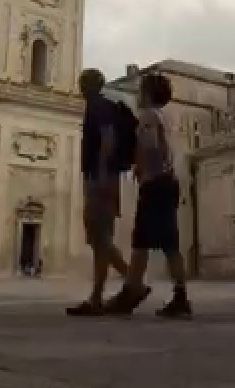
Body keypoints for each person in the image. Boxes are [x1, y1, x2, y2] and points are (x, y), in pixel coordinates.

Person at [104, 72, 192, 319]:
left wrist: (139, 163)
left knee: (141, 240)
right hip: (169, 183)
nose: (138, 94)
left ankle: (131, 293)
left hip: (155, 184)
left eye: (141, 90)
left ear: (148, 94)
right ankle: (178, 295)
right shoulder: (167, 116)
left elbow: (152, 145)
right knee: (168, 243)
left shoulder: (149, 116)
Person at [66, 69, 133, 315]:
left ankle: (126, 284)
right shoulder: (102, 106)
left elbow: (107, 138)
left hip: (101, 178)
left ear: (87, 85)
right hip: (103, 177)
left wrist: (101, 175)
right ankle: (107, 292)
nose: (80, 87)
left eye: (82, 82)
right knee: (100, 239)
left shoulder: (97, 107)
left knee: (99, 237)